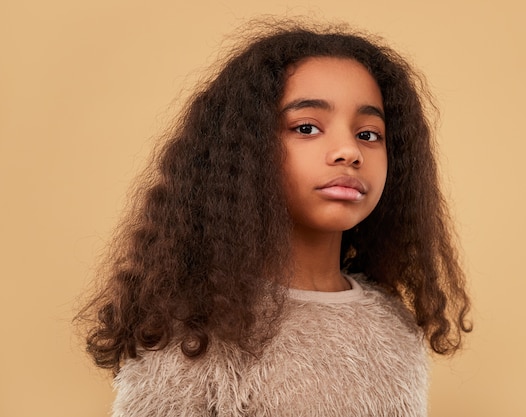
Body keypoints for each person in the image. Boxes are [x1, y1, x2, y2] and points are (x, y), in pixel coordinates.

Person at [77, 19, 472, 417]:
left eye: (368, 134)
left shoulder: (396, 325)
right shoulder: (198, 333)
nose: (348, 151)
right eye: (306, 127)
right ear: (245, 153)